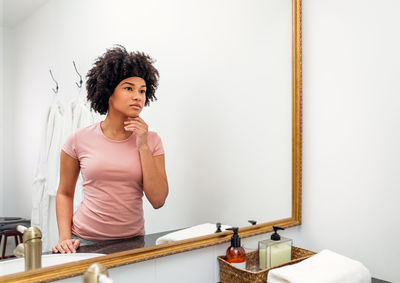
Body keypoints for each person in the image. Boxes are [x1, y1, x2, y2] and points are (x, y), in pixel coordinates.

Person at [52, 45, 169, 253]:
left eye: (142, 91)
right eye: (128, 88)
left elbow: (158, 200)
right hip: (85, 240)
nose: (138, 96)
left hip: (132, 242)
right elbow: (64, 192)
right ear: (109, 93)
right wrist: (64, 238)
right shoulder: (78, 139)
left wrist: (142, 145)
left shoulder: (152, 141)